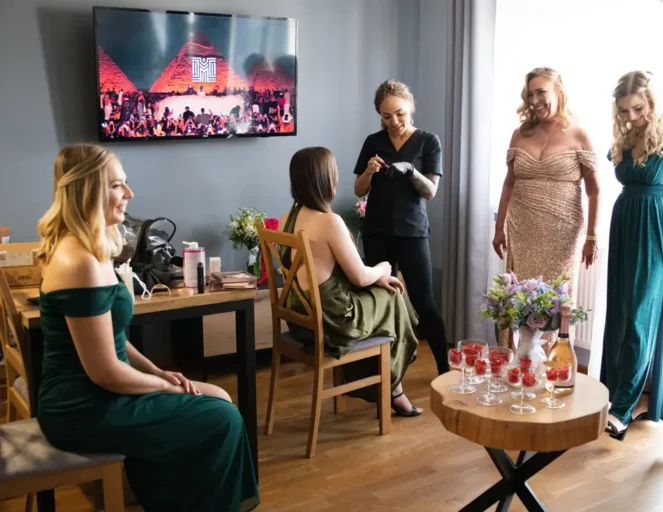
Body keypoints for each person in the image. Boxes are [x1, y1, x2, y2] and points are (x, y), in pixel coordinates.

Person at [35, 144, 259, 511]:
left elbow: (112, 338)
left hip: (100, 394)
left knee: (219, 398)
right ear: (87, 190)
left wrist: (157, 372)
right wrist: (166, 387)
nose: (129, 193)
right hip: (84, 407)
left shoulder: (92, 250)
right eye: (116, 185)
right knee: (221, 417)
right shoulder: (79, 262)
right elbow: (105, 372)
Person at [279, 146, 422, 417]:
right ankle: (393, 390)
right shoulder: (329, 222)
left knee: (387, 294)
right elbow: (360, 276)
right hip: (333, 323)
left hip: (301, 320)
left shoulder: (288, 218)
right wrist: (383, 269)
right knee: (394, 296)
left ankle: (390, 390)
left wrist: (377, 279)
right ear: (325, 180)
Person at [600, 71, 663, 440]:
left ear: (653, 101)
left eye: (638, 108)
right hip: (626, 225)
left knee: (640, 315)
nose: (632, 116)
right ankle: (619, 394)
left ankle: (623, 408)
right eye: (624, 110)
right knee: (622, 312)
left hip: (659, 227)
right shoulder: (625, 135)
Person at [493, 67, 600, 351]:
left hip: (562, 233)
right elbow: (509, 183)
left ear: (559, 91)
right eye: (530, 94)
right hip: (522, 229)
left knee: (556, 300)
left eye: (541, 92)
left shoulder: (579, 135)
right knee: (518, 298)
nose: (535, 100)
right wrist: (499, 227)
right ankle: (518, 362)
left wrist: (592, 237)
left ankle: (554, 365)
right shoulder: (519, 134)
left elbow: (594, 190)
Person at [353, 79, 448, 375]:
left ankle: (444, 369)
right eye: (386, 116)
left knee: (424, 302)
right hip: (377, 233)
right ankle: (385, 374)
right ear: (379, 116)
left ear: (411, 108)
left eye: (399, 114)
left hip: (412, 232)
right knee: (381, 300)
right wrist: (369, 172)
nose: (393, 122)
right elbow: (359, 190)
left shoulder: (428, 142)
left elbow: (430, 192)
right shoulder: (373, 142)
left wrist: (412, 172)